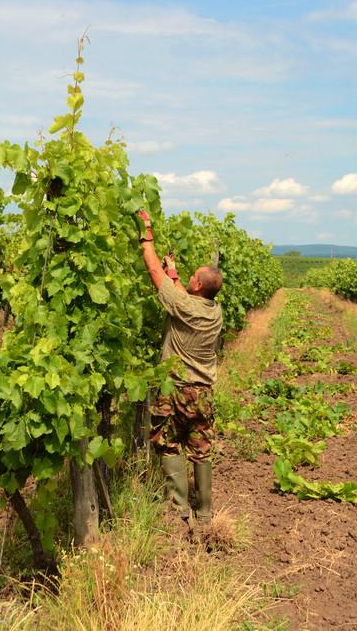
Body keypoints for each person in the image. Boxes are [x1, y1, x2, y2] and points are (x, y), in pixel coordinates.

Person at [137, 210, 223, 525]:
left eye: (192, 277)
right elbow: (180, 296)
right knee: (201, 448)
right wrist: (174, 271)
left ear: (198, 285)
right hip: (203, 394)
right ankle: (204, 513)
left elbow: (152, 270)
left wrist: (148, 235)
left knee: (166, 442)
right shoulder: (214, 311)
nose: (188, 279)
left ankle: (179, 509)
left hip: (175, 390)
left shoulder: (184, 305)